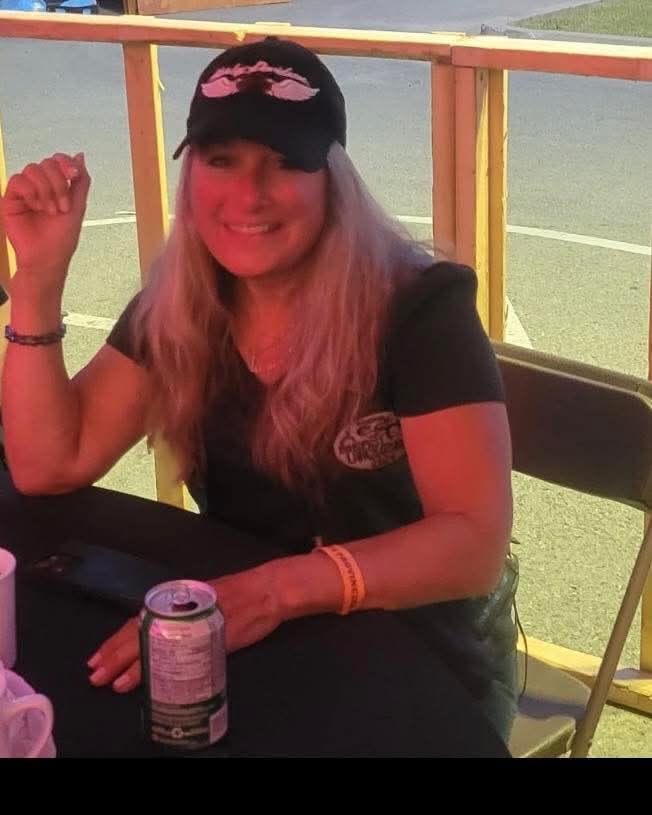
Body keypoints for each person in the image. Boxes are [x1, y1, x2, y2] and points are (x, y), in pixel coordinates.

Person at [0, 37, 517, 742]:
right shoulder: (182, 304)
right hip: (248, 625)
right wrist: (37, 280)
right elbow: (46, 465)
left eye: (285, 161)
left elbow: (473, 544)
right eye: (222, 160)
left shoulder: (419, 308)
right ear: (191, 174)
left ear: (333, 179)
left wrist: (275, 590)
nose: (249, 194)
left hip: (421, 649)